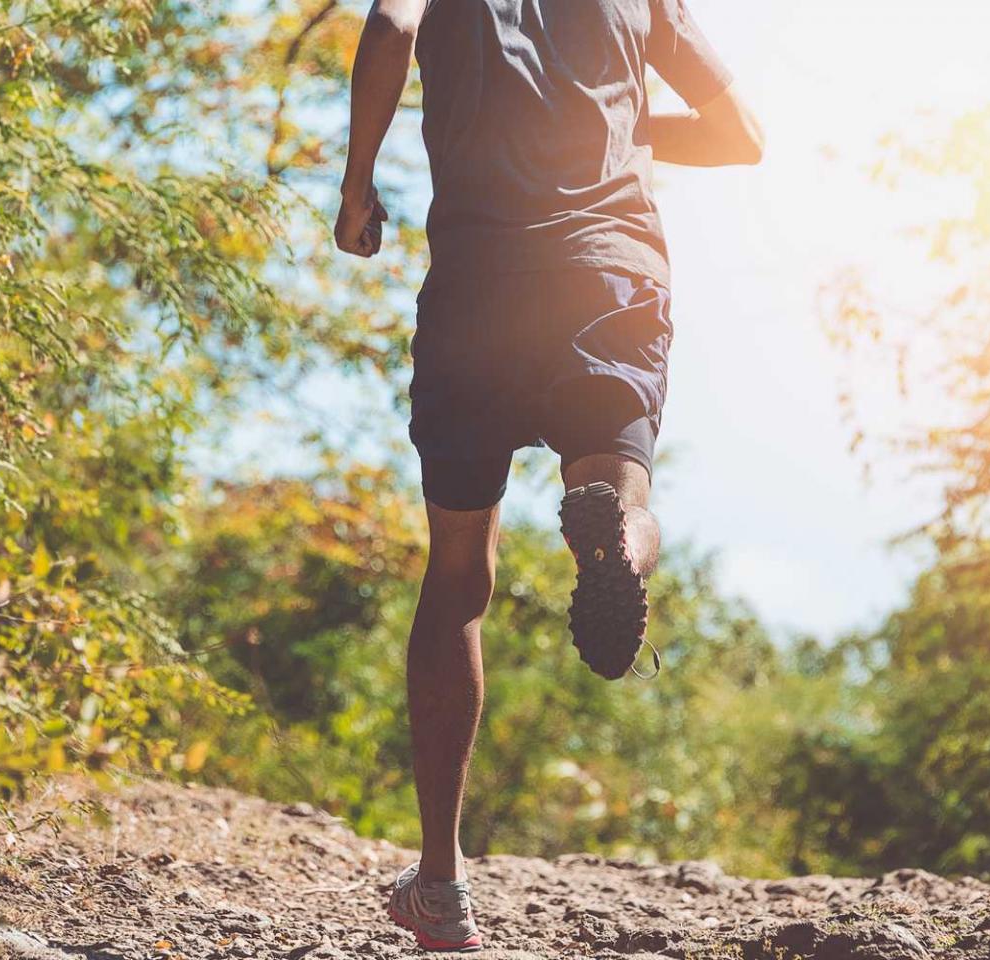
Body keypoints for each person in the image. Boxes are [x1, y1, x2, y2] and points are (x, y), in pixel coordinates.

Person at [333, 0, 761, 950]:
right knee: (624, 489)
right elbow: (742, 135)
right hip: (608, 274)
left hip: (478, 286)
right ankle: (614, 536)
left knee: (457, 580)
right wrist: (619, 126)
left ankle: (440, 889)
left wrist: (357, 186)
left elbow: (391, 33)